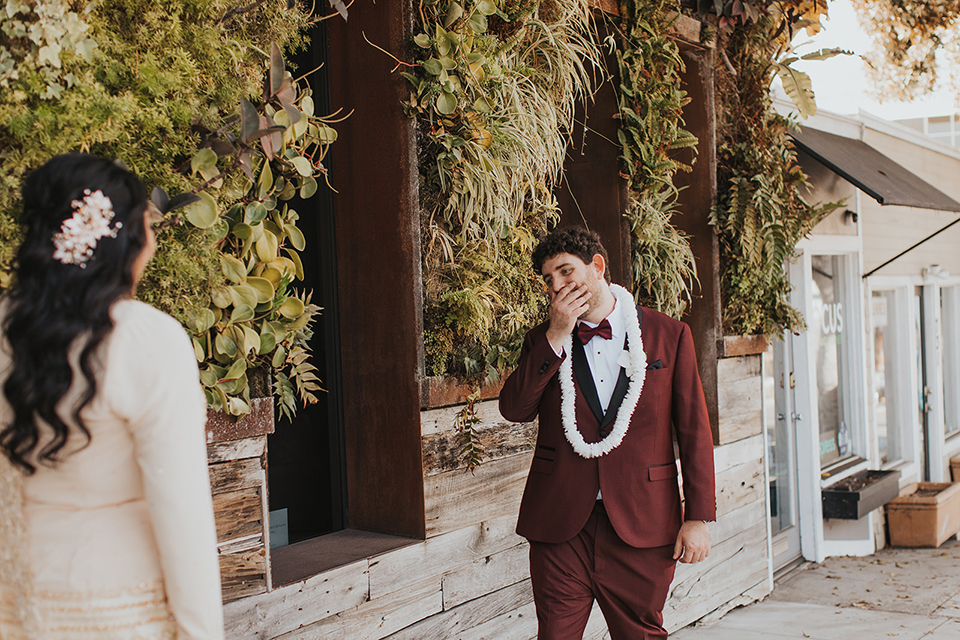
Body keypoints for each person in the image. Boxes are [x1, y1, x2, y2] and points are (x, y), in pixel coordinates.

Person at [0, 154, 224, 639]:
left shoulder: (6, 328)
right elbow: (181, 511)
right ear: (122, 241)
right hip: (118, 611)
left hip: (14, 603)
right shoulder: (148, 340)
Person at [499, 226, 716, 639]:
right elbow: (515, 410)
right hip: (560, 523)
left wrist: (699, 517)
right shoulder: (541, 341)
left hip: (642, 523)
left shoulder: (669, 335)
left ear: (597, 267)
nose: (557, 286)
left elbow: (694, 432)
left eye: (566, 272)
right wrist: (556, 336)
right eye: (548, 279)